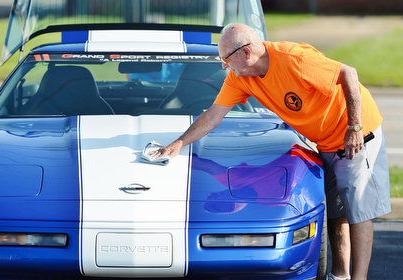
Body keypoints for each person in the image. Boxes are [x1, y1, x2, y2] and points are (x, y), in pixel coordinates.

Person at [149, 23, 391, 280]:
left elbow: (349, 74)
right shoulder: (241, 78)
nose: (223, 66)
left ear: (246, 53)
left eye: (225, 59)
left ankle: (359, 278)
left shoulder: (294, 60)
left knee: (358, 210)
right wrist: (178, 144)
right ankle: (340, 275)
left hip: (356, 136)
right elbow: (212, 116)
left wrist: (354, 127)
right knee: (336, 211)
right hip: (326, 143)